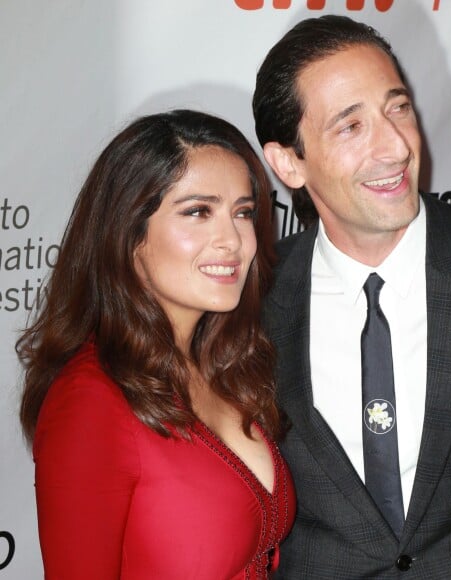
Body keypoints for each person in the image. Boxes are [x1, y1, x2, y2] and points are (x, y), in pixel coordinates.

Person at [252, 14, 451, 578]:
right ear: (288, 162)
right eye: (350, 127)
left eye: (397, 108)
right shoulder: (254, 300)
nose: (395, 146)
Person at [17, 109, 296, 579]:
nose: (232, 240)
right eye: (198, 212)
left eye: (242, 212)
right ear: (129, 234)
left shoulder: (225, 367)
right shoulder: (91, 400)